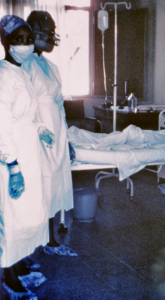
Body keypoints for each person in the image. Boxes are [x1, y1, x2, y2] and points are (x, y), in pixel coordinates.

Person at [0, 15, 54, 297]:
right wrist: (12, 166)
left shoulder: (22, 71)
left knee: (29, 214)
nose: (25, 44)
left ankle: (20, 265)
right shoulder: (2, 75)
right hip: (12, 157)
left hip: (29, 151)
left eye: (28, 39)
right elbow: (2, 125)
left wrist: (42, 128)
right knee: (12, 216)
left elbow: (29, 113)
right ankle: (9, 278)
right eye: (18, 40)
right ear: (5, 42)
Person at [22, 10, 74, 248]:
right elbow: (24, 108)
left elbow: (60, 105)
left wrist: (66, 140)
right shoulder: (23, 65)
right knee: (37, 190)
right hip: (37, 136)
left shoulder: (51, 66)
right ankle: (32, 246)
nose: (52, 39)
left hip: (57, 134)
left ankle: (51, 241)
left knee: (52, 188)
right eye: (48, 34)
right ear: (34, 33)